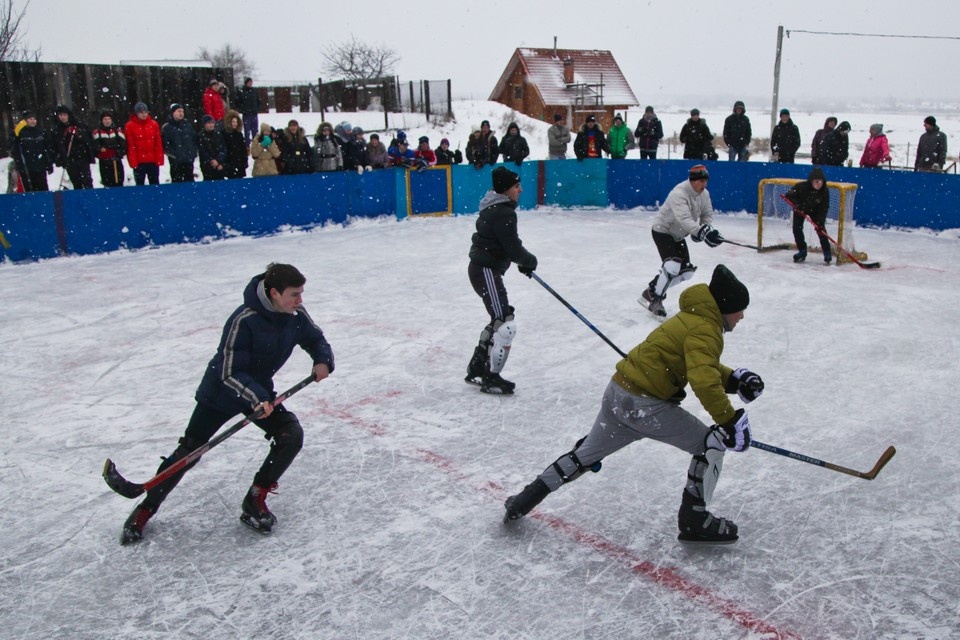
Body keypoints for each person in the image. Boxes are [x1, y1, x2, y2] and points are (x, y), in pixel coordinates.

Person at [503, 263, 760, 545]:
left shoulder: (692, 318)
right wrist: (728, 420)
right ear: (726, 307)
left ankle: (525, 499)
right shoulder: (706, 328)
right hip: (645, 406)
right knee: (710, 444)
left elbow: (701, 366)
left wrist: (735, 381)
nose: (742, 316)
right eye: (740, 309)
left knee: (583, 456)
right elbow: (702, 378)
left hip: (618, 393)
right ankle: (694, 520)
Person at [119, 263, 335, 545]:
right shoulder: (244, 320)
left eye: (301, 294)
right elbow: (229, 372)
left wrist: (322, 359)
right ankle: (145, 509)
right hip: (221, 394)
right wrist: (258, 398)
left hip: (258, 393)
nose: (300, 301)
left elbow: (315, 338)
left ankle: (255, 499)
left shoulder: (294, 314)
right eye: (294, 294)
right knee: (189, 452)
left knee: (290, 435)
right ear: (274, 293)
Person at [465, 166, 538, 395]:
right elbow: (513, 247)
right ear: (506, 190)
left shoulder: (494, 207)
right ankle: (490, 377)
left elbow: (504, 245)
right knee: (505, 325)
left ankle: (477, 367)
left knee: (501, 319)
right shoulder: (503, 212)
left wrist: (520, 261)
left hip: (484, 269)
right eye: (517, 186)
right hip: (485, 270)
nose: (521, 190)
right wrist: (528, 261)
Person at [640, 164, 724, 317]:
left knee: (686, 272)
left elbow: (707, 214)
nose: (704, 185)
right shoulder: (679, 193)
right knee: (672, 266)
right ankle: (656, 300)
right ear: (692, 181)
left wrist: (705, 229)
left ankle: (651, 290)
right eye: (701, 181)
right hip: (663, 231)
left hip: (678, 235)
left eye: (706, 181)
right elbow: (684, 219)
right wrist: (700, 232)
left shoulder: (704, 194)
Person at [785, 167, 832, 264]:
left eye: (820, 182)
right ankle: (802, 250)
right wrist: (798, 205)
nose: (818, 184)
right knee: (797, 228)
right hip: (800, 209)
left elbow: (824, 208)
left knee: (821, 230)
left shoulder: (825, 191)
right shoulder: (801, 187)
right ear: (811, 181)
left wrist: (820, 221)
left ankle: (827, 251)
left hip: (815, 211)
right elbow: (789, 196)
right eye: (816, 181)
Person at [8, 110, 54, 192]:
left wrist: (49, 163)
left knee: (43, 189)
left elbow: (47, 148)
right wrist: (15, 134)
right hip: (27, 168)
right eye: (30, 119)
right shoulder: (20, 132)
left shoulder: (41, 132)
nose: (33, 121)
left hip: (40, 166)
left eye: (34, 119)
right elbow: (13, 147)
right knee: (29, 190)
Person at [52, 104, 96, 189]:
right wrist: (60, 159)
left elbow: (87, 140)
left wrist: (78, 135)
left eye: (64, 115)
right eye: (60, 115)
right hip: (69, 159)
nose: (62, 117)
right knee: (76, 182)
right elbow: (56, 146)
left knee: (87, 181)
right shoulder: (56, 130)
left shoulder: (79, 126)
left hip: (82, 157)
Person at [125, 102, 163, 186]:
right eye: (141, 112)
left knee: (155, 184)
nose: (144, 114)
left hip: (152, 161)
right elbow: (130, 145)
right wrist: (133, 162)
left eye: (145, 112)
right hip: (139, 162)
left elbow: (158, 143)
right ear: (137, 113)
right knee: (140, 184)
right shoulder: (130, 126)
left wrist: (159, 159)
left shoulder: (153, 124)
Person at [161, 103, 198, 183]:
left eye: (182, 111)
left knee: (190, 183)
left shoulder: (187, 125)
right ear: (173, 113)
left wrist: (192, 153)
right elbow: (165, 145)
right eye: (179, 111)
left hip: (188, 160)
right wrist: (174, 155)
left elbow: (194, 140)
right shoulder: (167, 128)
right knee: (177, 184)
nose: (181, 113)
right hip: (176, 162)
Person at [91, 110, 126, 188]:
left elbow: (124, 146)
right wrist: (100, 150)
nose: (107, 121)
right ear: (102, 121)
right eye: (105, 119)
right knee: (107, 183)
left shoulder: (118, 131)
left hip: (116, 161)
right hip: (104, 162)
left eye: (109, 119)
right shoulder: (97, 133)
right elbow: (95, 147)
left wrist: (118, 152)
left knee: (119, 182)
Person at [197, 114, 227, 180]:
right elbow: (203, 152)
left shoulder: (218, 135)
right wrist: (212, 161)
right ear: (204, 124)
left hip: (219, 166)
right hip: (207, 167)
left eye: (212, 123)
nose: (211, 125)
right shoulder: (201, 136)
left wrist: (219, 161)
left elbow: (223, 149)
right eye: (209, 123)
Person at [221, 110, 249, 179]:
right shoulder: (224, 134)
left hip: (240, 165)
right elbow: (224, 149)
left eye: (236, 122)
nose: (235, 124)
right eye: (233, 122)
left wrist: (244, 161)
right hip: (230, 164)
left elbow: (243, 150)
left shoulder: (239, 134)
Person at [234, 77, 261, 146]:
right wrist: (243, 109)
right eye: (249, 82)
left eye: (251, 82)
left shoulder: (254, 91)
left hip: (254, 114)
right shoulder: (242, 92)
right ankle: (247, 145)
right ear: (246, 83)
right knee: (247, 131)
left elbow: (258, 101)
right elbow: (238, 102)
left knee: (255, 130)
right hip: (246, 114)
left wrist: (257, 108)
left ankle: (255, 145)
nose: (250, 84)